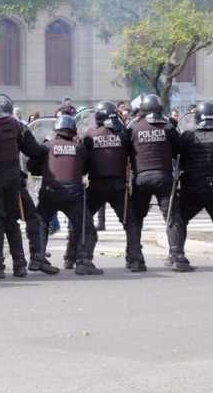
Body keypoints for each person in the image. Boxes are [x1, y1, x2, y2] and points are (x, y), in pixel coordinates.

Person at [0, 89, 47, 278]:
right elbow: (34, 151)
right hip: (13, 179)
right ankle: (20, 264)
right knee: (12, 221)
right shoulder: (17, 124)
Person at [168, 103, 213, 271]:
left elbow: (179, 161)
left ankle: (177, 256)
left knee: (179, 219)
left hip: (193, 187)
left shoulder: (188, 136)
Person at [31, 115, 102, 275]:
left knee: (40, 223)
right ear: (73, 131)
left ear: (56, 130)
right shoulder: (80, 148)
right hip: (73, 195)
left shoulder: (46, 147)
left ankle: (37, 258)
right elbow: (84, 169)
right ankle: (84, 261)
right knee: (86, 228)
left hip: (49, 192)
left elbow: (32, 167)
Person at [126, 94, 184, 272]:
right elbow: (179, 151)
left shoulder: (134, 128)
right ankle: (177, 257)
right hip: (163, 178)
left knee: (136, 219)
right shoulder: (168, 127)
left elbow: (126, 152)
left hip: (141, 179)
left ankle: (135, 259)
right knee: (172, 218)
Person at [81, 101, 138, 270]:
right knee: (130, 222)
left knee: (82, 219)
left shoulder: (90, 135)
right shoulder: (123, 134)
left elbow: (83, 164)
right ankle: (135, 260)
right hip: (119, 186)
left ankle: (76, 257)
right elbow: (130, 155)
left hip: (97, 185)